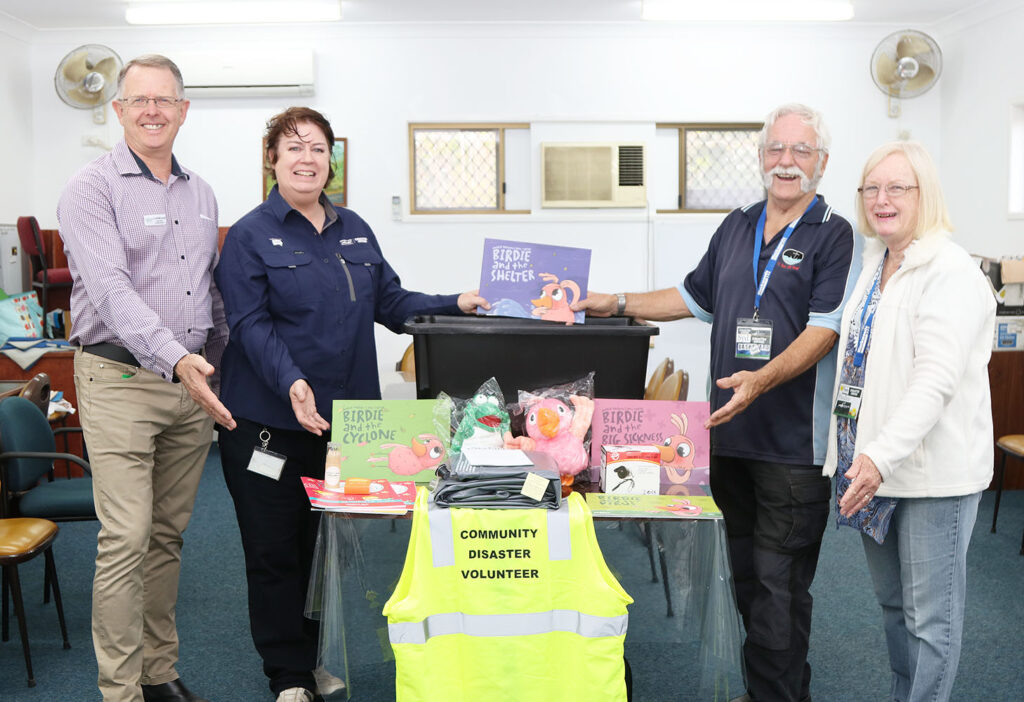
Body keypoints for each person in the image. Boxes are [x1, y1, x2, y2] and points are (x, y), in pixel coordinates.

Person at [575, 104, 858, 702]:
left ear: (822, 163)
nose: (786, 162)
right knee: (751, 584)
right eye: (775, 150)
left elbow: (824, 329)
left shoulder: (834, 233)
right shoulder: (737, 225)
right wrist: (613, 300)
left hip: (791, 451)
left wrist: (761, 380)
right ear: (761, 158)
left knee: (780, 590)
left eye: (801, 151)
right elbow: (689, 296)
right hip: (726, 440)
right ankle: (777, 692)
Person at [214, 106, 488, 702]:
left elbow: (392, 302)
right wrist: (292, 381)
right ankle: (286, 675)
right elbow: (250, 325)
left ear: (330, 161)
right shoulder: (249, 236)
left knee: (323, 547)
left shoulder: (355, 227)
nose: (307, 158)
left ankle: (310, 660)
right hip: (268, 424)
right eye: (293, 148)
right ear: (272, 159)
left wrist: (454, 303)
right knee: (273, 547)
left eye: (317, 148)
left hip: (345, 426)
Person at [57, 55, 235, 702]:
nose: (153, 111)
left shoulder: (202, 192)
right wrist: (175, 357)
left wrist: (215, 362)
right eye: (140, 101)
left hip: (190, 387)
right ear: (119, 110)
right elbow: (109, 290)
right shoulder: (91, 188)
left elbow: (208, 291)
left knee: (166, 536)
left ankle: (159, 674)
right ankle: (121, 691)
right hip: (121, 381)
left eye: (165, 100)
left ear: (183, 111)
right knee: (126, 537)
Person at [823, 141, 994, 702]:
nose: (882, 199)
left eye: (898, 187)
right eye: (871, 188)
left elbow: (935, 380)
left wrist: (876, 456)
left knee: (930, 623)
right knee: (895, 611)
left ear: (926, 194)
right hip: (871, 470)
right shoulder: (876, 265)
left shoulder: (950, 271)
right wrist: (852, 457)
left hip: (926, 476)